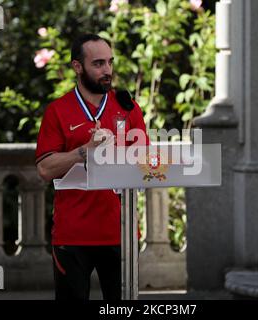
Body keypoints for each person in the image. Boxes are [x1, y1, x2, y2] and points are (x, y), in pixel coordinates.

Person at [35, 33, 148, 300]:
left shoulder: (128, 108)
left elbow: (144, 163)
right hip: (73, 234)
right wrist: (85, 151)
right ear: (77, 66)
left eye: (110, 62)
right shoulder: (58, 111)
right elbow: (44, 169)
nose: (107, 70)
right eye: (98, 64)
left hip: (120, 231)